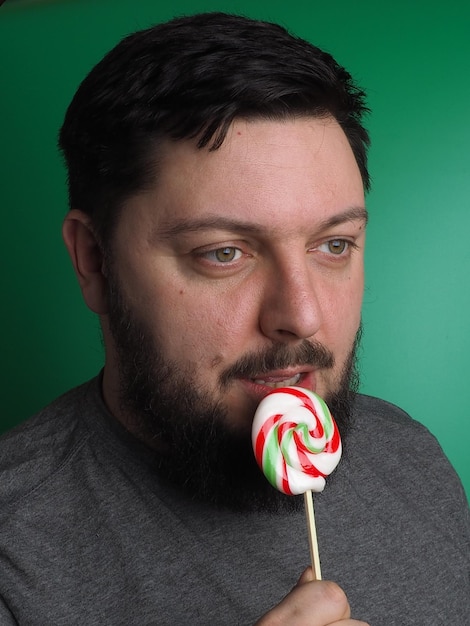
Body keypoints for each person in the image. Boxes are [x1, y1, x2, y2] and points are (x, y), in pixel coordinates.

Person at [0, 12, 468, 625]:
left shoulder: (412, 459)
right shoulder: (15, 553)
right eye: (224, 253)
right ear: (95, 260)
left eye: (333, 245)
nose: (301, 317)